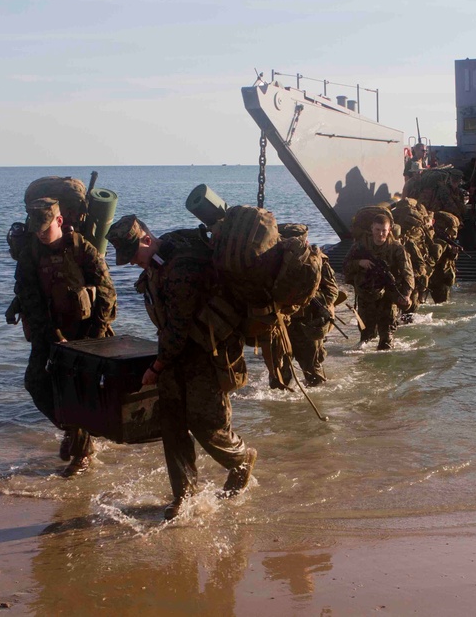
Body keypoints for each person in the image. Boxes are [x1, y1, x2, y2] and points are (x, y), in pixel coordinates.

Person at [106, 215, 256, 520]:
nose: (133, 263)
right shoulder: (157, 264)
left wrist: (156, 368)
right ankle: (183, 495)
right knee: (172, 426)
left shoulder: (182, 268)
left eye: (134, 255)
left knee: (207, 425)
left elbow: (178, 328)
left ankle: (241, 460)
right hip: (176, 356)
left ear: (147, 239)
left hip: (203, 355)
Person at [17, 195, 116, 477]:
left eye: (44, 228)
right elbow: (30, 299)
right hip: (49, 332)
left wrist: (95, 336)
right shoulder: (30, 254)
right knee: (36, 383)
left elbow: (106, 291)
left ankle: (82, 453)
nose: (39, 233)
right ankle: (73, 430)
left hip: (86, 332)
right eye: (35, 228)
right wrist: (52, 336)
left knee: (78, 391)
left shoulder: (80, 248)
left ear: (59, 221)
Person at [343, 213, 414, 350]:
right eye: (377, 230)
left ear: (389, 230)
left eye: (384, 231)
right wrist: (359, 263)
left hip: (388, 295)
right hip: (366, 294)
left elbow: (408, 273)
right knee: (366, 338)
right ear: (372, 228)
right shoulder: (361, 246)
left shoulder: (396, 248)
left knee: (386, 340)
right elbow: (345, 265)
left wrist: (406, 294)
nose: (381, 234)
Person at [279, 224, 339, 386]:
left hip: (308, 323)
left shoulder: (317, 260)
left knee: (314, 376)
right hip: (282, 324)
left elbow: (332, 292)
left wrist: (308, 296)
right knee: (279, 378)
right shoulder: (275, 263)